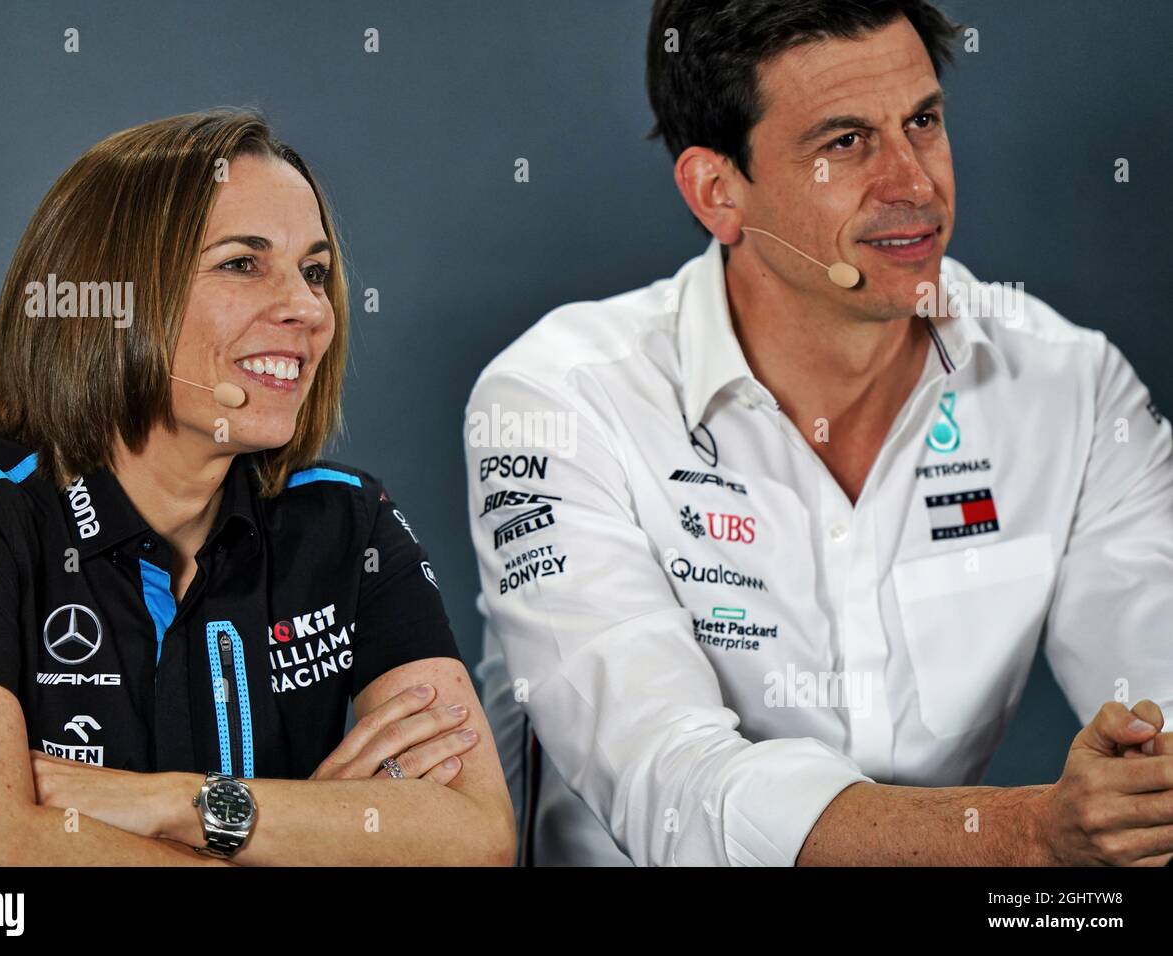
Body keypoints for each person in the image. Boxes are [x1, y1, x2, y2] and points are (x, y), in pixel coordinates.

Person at [466, 0, 1173, 866]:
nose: (914, 183)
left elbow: (1161, 705)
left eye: (923, 121)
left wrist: (1138, 785)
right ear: (717, 192)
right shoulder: (557, 399)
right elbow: (678, 792)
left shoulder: (1074, 385)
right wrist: (1031, 837)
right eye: (845, 142)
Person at [0, 108, 514, 866]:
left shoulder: (347, 516)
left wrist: (177, 804)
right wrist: (316, 827)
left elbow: (477, 837)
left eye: (314, 272)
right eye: (243, 263)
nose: (309, 309)